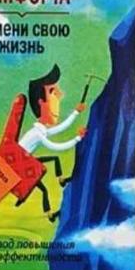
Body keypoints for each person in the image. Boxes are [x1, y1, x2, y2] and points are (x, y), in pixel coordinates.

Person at [17, 63, 86, 222]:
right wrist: (77, 138)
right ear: (41, 102)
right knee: (44, 189)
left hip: (26, 162)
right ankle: (49, 214)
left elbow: (60, 129)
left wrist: (76, 112)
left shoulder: (40, 130)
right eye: (53, 92)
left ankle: (60, 180)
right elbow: (55, 146)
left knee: (51, 167)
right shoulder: (37, 133)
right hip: (21, 167)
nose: (60, 95)